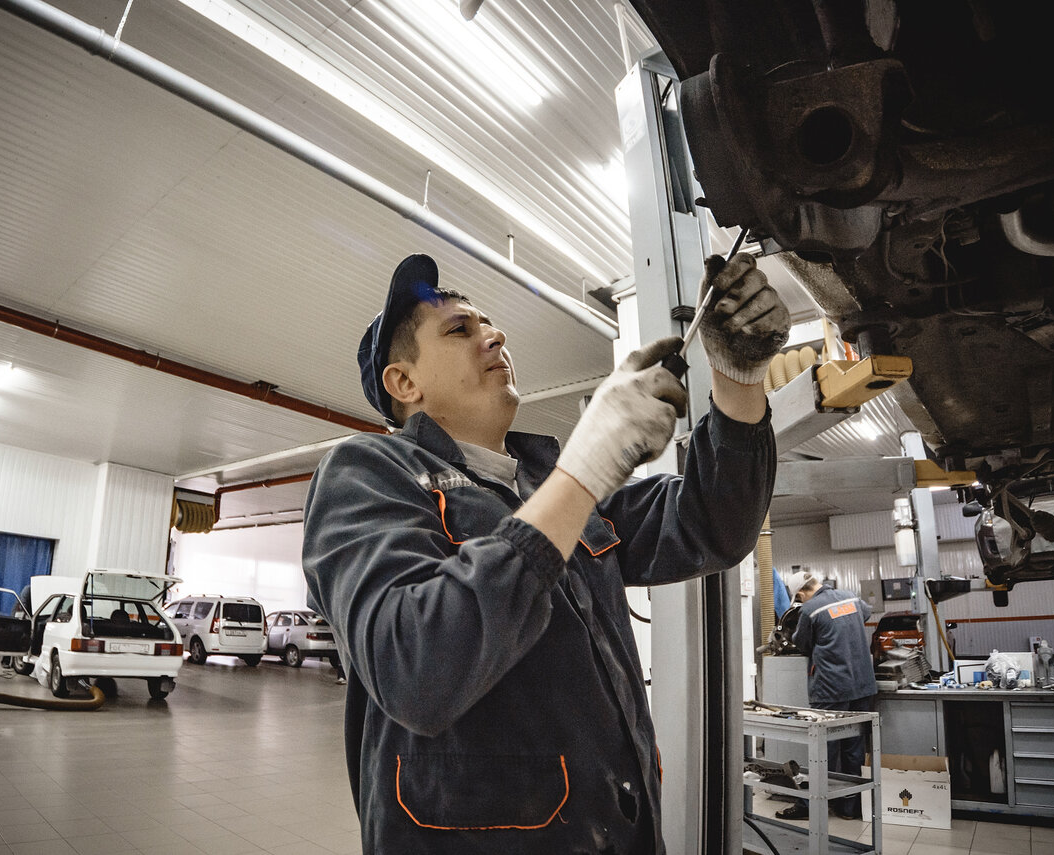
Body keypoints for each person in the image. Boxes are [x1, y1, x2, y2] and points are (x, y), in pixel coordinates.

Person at [302, 251, 789, 854]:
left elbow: (713, 525)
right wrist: (583, 471)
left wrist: (738, 380)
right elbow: (414, 668)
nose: (494, 335)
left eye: (488, 324)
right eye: (459, 329)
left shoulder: (546, 483)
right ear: (404, 382)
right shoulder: (368, 473)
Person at [780, 570, 876, 821]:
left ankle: (812, 806)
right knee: (854, 749)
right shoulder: (851, 597)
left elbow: (802, 643)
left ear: (801, 593)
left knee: (823, 750)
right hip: (862, 685)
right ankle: (849, 807)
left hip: (831, 688)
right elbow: (866, 614)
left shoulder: (810, 609)